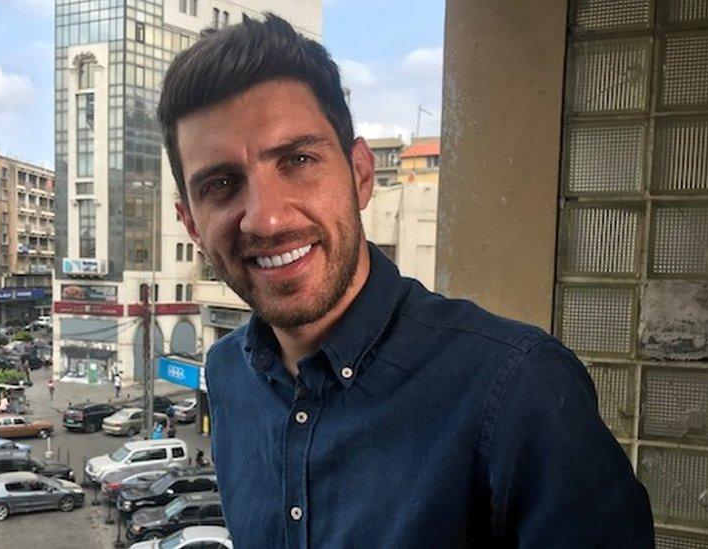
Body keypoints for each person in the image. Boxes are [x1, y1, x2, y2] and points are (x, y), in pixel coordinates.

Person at [157, 13, 654, 549]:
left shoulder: (518, 388)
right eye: (223, 184)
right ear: (192, 224)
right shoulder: (230, 375)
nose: (267, 219)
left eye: (298, 160)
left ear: (362, 174)